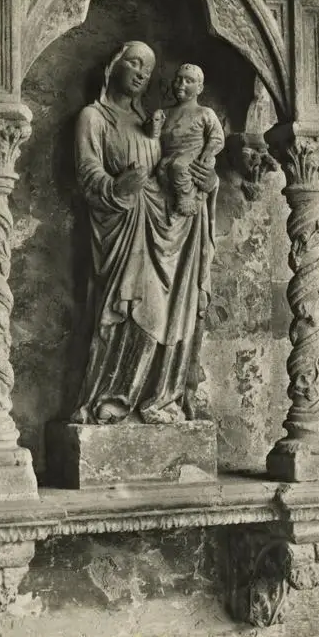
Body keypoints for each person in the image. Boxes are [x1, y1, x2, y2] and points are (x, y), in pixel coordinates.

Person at [71, 41, 218, 425]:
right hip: (124, 230)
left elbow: (177, 166)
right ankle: (112, 397)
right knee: (135, 308)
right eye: (134, 63)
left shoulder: (153, 122)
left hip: (171, 225)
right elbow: (88, 173)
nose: (141, 73)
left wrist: (209, 180)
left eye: (148, 70)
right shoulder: (94, 117)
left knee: (170, 313)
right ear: (114, 66)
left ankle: (161, 398)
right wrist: (116, 189)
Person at [149, 63, 225, 216]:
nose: (181, 85)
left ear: (199, 88)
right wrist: (154, 124)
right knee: (162, 169)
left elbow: (217, 137)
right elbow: (152, 141)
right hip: (168, 161)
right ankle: (173, 198)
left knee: (179, 166)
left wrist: (208, 152)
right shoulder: (166, 113)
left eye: (189, 81)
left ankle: (186, 199)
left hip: (193, 160)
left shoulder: (205, 113)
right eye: (178, 80)